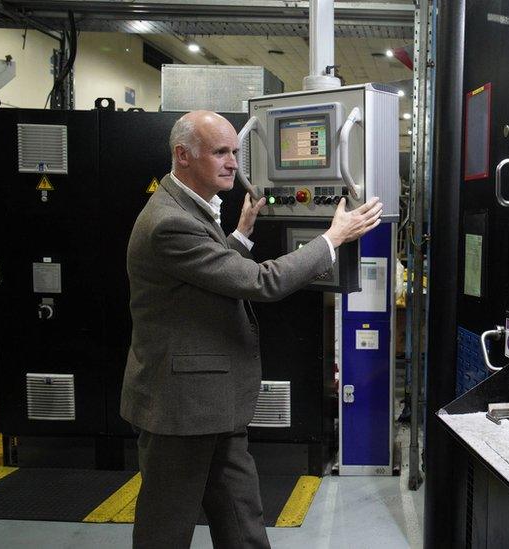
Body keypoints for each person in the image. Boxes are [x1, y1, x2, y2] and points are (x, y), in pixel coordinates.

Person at [120, 110, 382, 548]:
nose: (232, 163)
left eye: (236, 152)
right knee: (165, 528)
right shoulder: (169, 220)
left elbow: (205, 270)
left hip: (213, 400)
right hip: (180, 407)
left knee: (243, 519)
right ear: (183, 156)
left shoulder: (187, 208)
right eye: (220, 152)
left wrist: (239, 235)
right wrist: (332, 238)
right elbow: (262, 282)